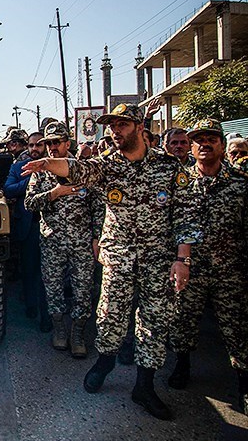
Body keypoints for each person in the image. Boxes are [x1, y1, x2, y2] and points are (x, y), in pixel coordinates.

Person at [21, 103, 201, 421]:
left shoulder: (170, 168)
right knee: (109, 316)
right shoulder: (106, 165)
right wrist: (49, 163)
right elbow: (79, 170)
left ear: (139, 126)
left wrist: (182, 258)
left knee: (154, 323)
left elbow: (186, 214)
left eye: (121, 125)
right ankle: (104, 363)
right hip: (118, 257)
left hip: (157, 260)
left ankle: (144, 386)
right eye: (112, 126)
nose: (115, 131)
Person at [167, 119, 248, 416]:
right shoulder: (181, 182)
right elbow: (172, 225)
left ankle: (244, 382)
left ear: (222, 145)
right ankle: (182, 365)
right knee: (183, 319)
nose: (205, 143)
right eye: (199, 139)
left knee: (236, 327)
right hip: (191, 269)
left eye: (211, 138)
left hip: (230, 269)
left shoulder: (240, 182)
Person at [24, 122, 103, 358]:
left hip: (82, 242)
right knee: (53, 288)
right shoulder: (40, 173)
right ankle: (59, 330)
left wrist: (97, 237)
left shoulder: (82, 169)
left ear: (67, 143)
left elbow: (98, 207)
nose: (51, 148)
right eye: (48, 143)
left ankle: (78, 334)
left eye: (56, 142)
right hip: (52, 241)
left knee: (83, 290)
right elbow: (29, 204)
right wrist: (55, 193)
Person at [4, 132, 50, 332]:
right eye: (31, 146)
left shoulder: (57, 167)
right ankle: (32, 307)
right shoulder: (17, 168)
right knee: (30, 271)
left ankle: (48, 315)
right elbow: (8, 189)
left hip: (53, 227)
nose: (34, 149)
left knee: (50, 274)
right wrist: (32, 178)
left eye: (38, 145)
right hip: (29, 226)